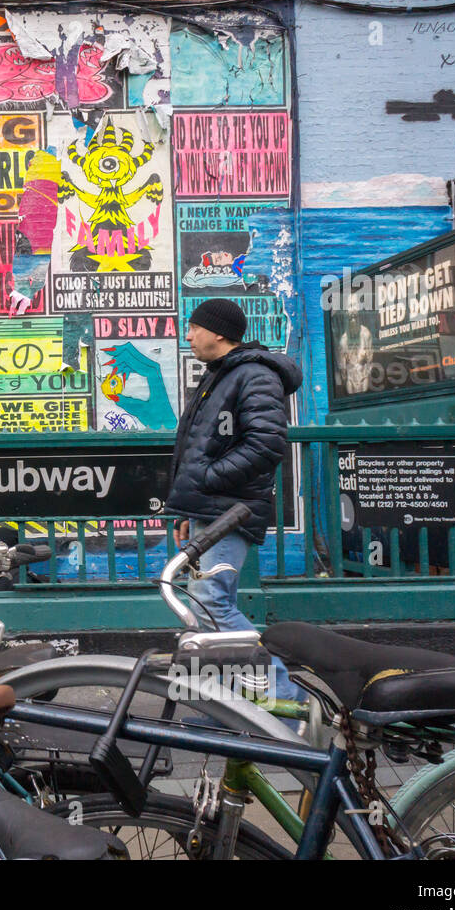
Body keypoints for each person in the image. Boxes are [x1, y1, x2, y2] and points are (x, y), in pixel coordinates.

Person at [165, 298, 306, 703]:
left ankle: (282, 697)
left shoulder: (254, 375)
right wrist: (192, 510)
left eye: (193, 328)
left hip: (230, 510)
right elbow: (205, 445)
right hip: (212, 510)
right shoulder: (221, 375)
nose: (188, 335)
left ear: (219, 333)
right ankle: (216, 702)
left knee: (213, 602)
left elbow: (266, 444)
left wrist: (209, 481)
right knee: (201, 604)